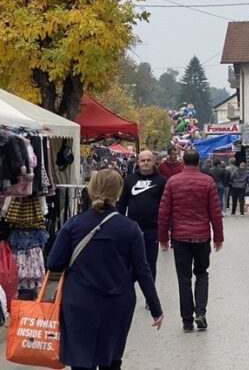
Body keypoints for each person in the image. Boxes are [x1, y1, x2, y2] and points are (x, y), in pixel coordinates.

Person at [47, 170, 163, 370]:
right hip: (117, 303)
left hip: (78, 303)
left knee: (81, 361)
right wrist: (155, 309)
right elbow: (143, 270)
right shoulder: (130, 228)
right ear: (118, 194)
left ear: (91, 190)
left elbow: (53, 264)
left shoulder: (73, 225)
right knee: (111, 359)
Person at [158, 149, 224, 333]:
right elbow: (215, 213)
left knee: (184, 279)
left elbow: (164, 213)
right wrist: (218, 237)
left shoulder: (172, 182)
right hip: (202, 237)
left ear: (183, 161)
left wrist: (163, 238)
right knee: (202, 274)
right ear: (198, 162)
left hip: (180, 238)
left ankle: (187, 321)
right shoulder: (208, 182)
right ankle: (200, 313)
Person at [118, 150, 167, 282]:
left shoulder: (162, 181)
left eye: (148, 160)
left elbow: (166, 207)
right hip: (133, 230)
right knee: (130, 265)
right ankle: (128, 297)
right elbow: (122, 205)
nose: (146, 163)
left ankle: (150, 300)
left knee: (150, 266)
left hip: (152, 230)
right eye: (143, 160)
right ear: (138, 162)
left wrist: (166, 228)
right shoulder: (129, 180)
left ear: (154, 161)